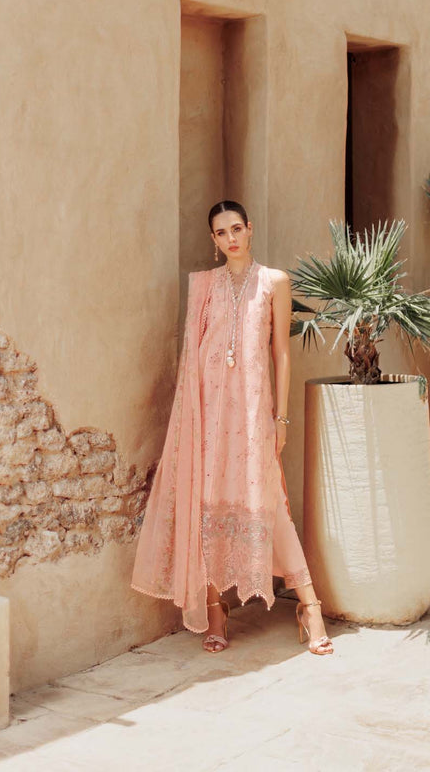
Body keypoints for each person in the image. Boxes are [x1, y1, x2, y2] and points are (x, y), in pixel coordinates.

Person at [132, 200, 333, 655]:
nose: (231, 239)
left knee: (269, 502)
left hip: (253, 410)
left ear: (250, 228)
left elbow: (281, 353)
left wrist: (281, 418)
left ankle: (310, 607)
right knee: (207, 504)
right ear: (214, 240)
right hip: (208, 411)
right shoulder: (205, 285)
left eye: (236, 229)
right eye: (221, 233)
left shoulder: (274, 281)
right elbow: (193, 355)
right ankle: (215, 610)